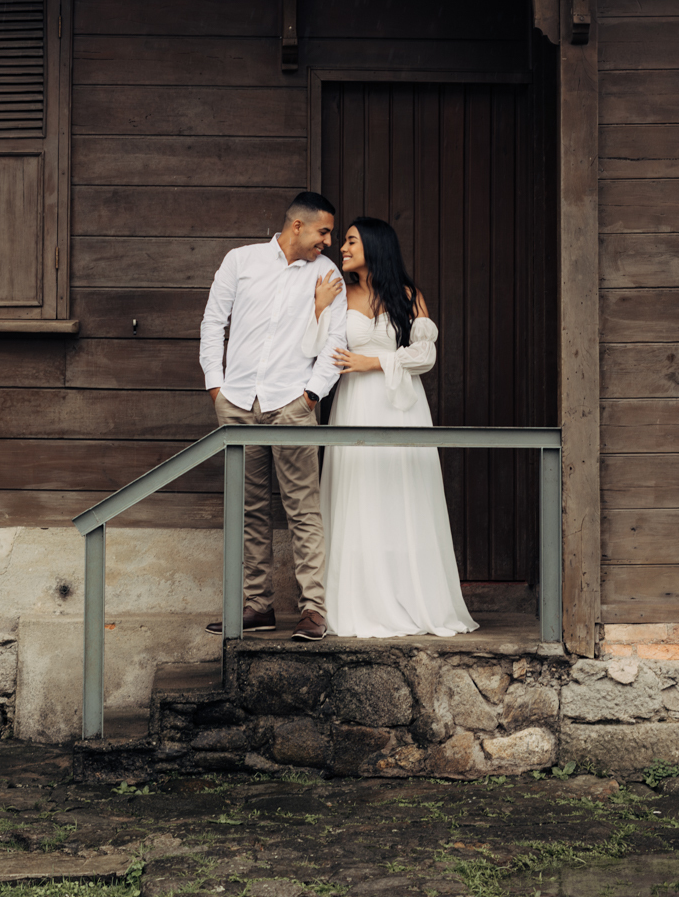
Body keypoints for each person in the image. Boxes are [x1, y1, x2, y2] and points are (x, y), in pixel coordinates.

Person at [308, 217, 477, 639]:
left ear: (375, 246)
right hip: (354, 406)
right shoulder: (338, 293)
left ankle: (411, 595)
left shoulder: (407, 295)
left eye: (349, 241)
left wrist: (375, 361)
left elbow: (425, 356)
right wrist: (315, 309)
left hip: (400, 404)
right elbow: (312, 350)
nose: (342, 248)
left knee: (402, 491)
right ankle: (359, 600)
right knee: (359, 491)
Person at [198, 191, 348, 640]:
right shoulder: (240, 261)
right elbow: (213, 322)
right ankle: (257, 606)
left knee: (303, 510)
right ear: (297, 226)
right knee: (249, 511)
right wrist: (215, 387)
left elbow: (335, 342)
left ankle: (313, 610)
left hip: (292, 405)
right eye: (324, 231)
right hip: (238, 403)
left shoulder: (327, 273)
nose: (329, 241)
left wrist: (310, 398)